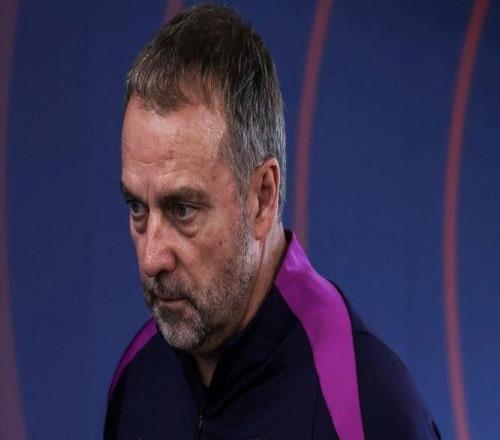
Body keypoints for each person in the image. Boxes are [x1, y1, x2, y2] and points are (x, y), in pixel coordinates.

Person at [105, 5, 441, 439]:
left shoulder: (366, 404)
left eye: (182, 209)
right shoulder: (138, 377)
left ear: (263, 197)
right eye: (137, 207)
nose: (152, 258)